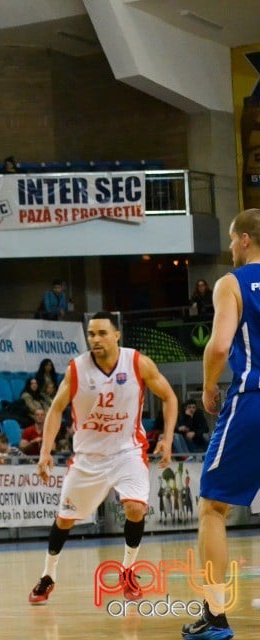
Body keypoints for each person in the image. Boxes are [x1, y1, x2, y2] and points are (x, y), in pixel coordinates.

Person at [29, 311, 176, 607]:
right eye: (91, 334)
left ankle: (128, 571)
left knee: (135, 508)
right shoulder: (76, 369)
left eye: (101, 333)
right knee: (65, 520)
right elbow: (56, 409)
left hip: (128, 451)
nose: (95, 339)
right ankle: (48, 575)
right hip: (88, 458)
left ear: (116, 334)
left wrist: (167, 439)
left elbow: (170, 397)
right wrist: (45, 451)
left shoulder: (137, 363)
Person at [181, 209, 260, 640]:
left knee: (213, 507)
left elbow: (219, 345)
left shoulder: (233, 283)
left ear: (245, 239)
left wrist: (210, 385)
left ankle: (214, 615)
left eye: (232, 239)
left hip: (254, 399)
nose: (230, 247)